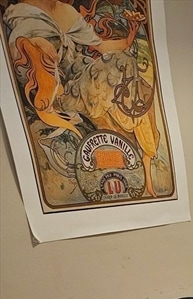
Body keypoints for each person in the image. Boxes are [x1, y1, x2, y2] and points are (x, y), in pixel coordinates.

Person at [3, 0, 160, 196]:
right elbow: (23, 59)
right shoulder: (23, 15)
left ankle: (146, 158)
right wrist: (37, 46)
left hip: (83, 75)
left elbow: (102, 46)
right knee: (122, 66)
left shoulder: (65, 10)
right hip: (64, 94)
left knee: (140, 86)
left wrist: (130, 36)